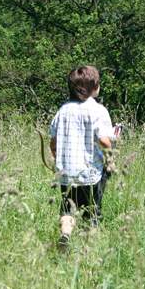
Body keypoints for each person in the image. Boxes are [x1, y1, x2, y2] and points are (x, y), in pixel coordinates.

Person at [49, 65, 116, 247]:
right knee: (92, 211)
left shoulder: (62, 110)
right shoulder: (97, 110)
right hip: (90, 173)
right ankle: (89, 247)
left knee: (68, 208)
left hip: (66, 173)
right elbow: (104, 141)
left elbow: (53, 142)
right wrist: (110, 156)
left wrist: (56, 156)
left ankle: (65, 234)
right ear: (93, 88)